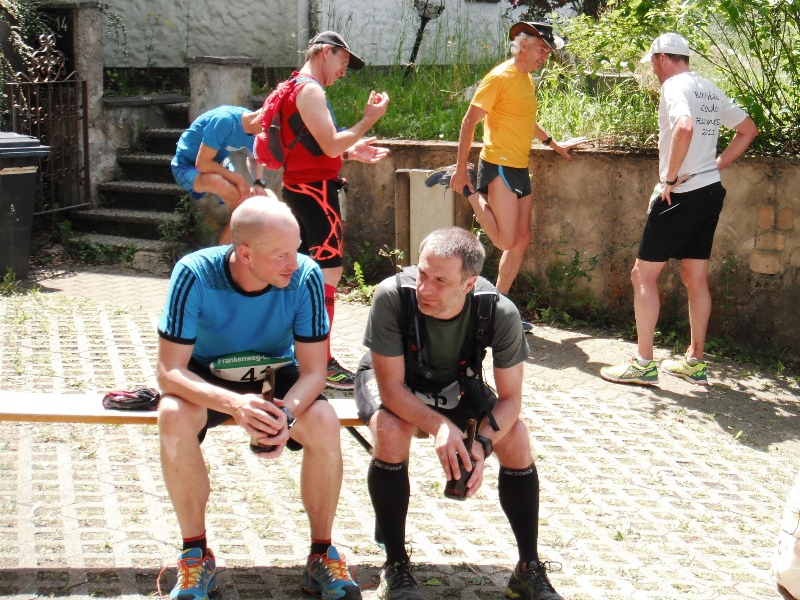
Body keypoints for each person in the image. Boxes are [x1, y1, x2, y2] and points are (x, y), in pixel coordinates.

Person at [156, 195, 361, 600]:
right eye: (281, 255)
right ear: (245, 253)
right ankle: (195, 555)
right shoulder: (194, 273)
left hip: (275, 375)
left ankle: (322, 554)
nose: (294, 263)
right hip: (209, 377)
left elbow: (315, 372)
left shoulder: (305, 275)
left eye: (296, 249)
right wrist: (234, 405)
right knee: (172, 414)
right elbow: (168, 372)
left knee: (324, 421)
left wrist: (286, 414)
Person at [354, 227, 566, 600]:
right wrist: (440, 427)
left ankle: (528, 570)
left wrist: (481, 444)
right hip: (395, 379)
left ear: (469, 284)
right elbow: (391, 390)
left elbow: (511, 399)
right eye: (422, 273)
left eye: (440, 281)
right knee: (391, 427)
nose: (424, 288)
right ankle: (396, 565)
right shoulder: (392, 296)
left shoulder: (498, 310)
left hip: (455, 381)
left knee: (515, 436)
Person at [600, 32, 758, 387]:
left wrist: (669, 179)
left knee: (642, 275)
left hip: (681, 193)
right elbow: (748, 130)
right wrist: (716, 165)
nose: (654, 71)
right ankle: (695, 362)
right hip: (710, 191)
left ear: (662, 58)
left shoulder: (673, 86)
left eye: (653, 63)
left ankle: (643, 364)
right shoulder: (708, 87)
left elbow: (684, 127)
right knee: (694, 276)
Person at [427, 22, 584, 330]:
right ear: (523, 46)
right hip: (498, 164)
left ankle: (497, 309)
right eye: (541, 50)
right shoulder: (499, 77)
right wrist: (461, 166)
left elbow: (524, 119)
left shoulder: (525, 79)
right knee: (505, 239)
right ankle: (467, 187)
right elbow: (469, 121)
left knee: (521, 240)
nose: (545, 57)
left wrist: (553, 143)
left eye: (548, 52)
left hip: (519, 166)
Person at [279, 30, 390, 390]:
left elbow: (310, 145)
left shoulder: (292, 86)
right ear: (326, 52)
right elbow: (328, 146)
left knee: (297, 274)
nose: (344, 70)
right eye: (343, 61)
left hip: (296, 191)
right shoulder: (311, 90)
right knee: (327, 274)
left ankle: (294, 357)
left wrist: (350, 151)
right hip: (316, 195)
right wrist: (368, 119)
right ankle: (321, 363)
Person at [171, 105, 268, 244]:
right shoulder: (224, 120)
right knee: (217, 181)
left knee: (245, 210)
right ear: (261, 121)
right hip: (186, 166)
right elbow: (202, 164)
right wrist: (238, 179)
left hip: (218, 165)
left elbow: (254, 158)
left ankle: (224, 253)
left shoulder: (255, 129)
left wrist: (258, 183)